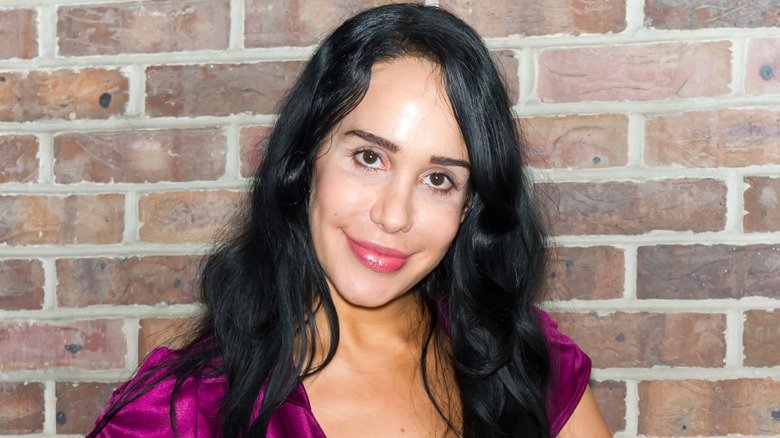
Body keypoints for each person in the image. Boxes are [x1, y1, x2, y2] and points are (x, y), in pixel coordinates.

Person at [89, 3, 611, 437]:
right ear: (306, 155)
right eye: (369, 158)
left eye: (438, 180)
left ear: (470, 205)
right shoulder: (179, 414)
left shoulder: (521, 361)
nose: (392, 215)